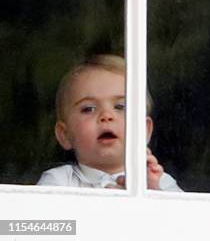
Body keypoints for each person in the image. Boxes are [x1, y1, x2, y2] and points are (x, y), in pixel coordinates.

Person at [37, 55, 181, 191]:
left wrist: (152, 194)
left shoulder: (161, 182)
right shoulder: (59, 182)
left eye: (120, 107)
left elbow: (184, 217)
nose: (106, 116)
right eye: (89, 109)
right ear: (65, 135)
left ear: (144, 131)